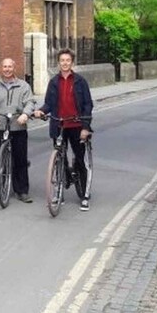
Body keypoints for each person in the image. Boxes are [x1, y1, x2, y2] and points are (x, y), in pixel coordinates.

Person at [33, 49, 95, 211]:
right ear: (58, 62)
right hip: (59, 125)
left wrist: (86, 127)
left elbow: (88, 105)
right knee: (61, 159)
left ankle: (84, 194)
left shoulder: (80, 81)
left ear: (72, 62)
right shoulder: (54, 81)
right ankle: (60, 191)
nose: (65, 63)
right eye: (62, 60)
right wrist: (41, 111)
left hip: (76, 125)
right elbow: (48, 103)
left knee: (80, 159)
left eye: (68, 60)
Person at [0, 58, 35, 203]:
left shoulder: (23, 86)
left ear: (14, 68)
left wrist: (26, 114)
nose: (7, 69)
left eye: (9, 66)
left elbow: (30, 102)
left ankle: (22, 190)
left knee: (20, 158)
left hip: (18, 125)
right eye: (4, 66)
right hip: (0, 125)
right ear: (1, 68)